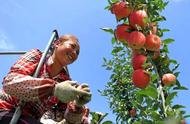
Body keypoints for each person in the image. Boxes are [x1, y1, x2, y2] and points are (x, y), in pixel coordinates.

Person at [0, 34, 92, 124]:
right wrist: (53, 89)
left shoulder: (66, 82)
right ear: (57, 43)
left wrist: (77, 106)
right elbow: (10, 82)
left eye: (77, 52)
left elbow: (67, 119)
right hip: (6, 108)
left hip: (31, 119)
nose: (74, 53)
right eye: (72, 46)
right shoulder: (38, 56)